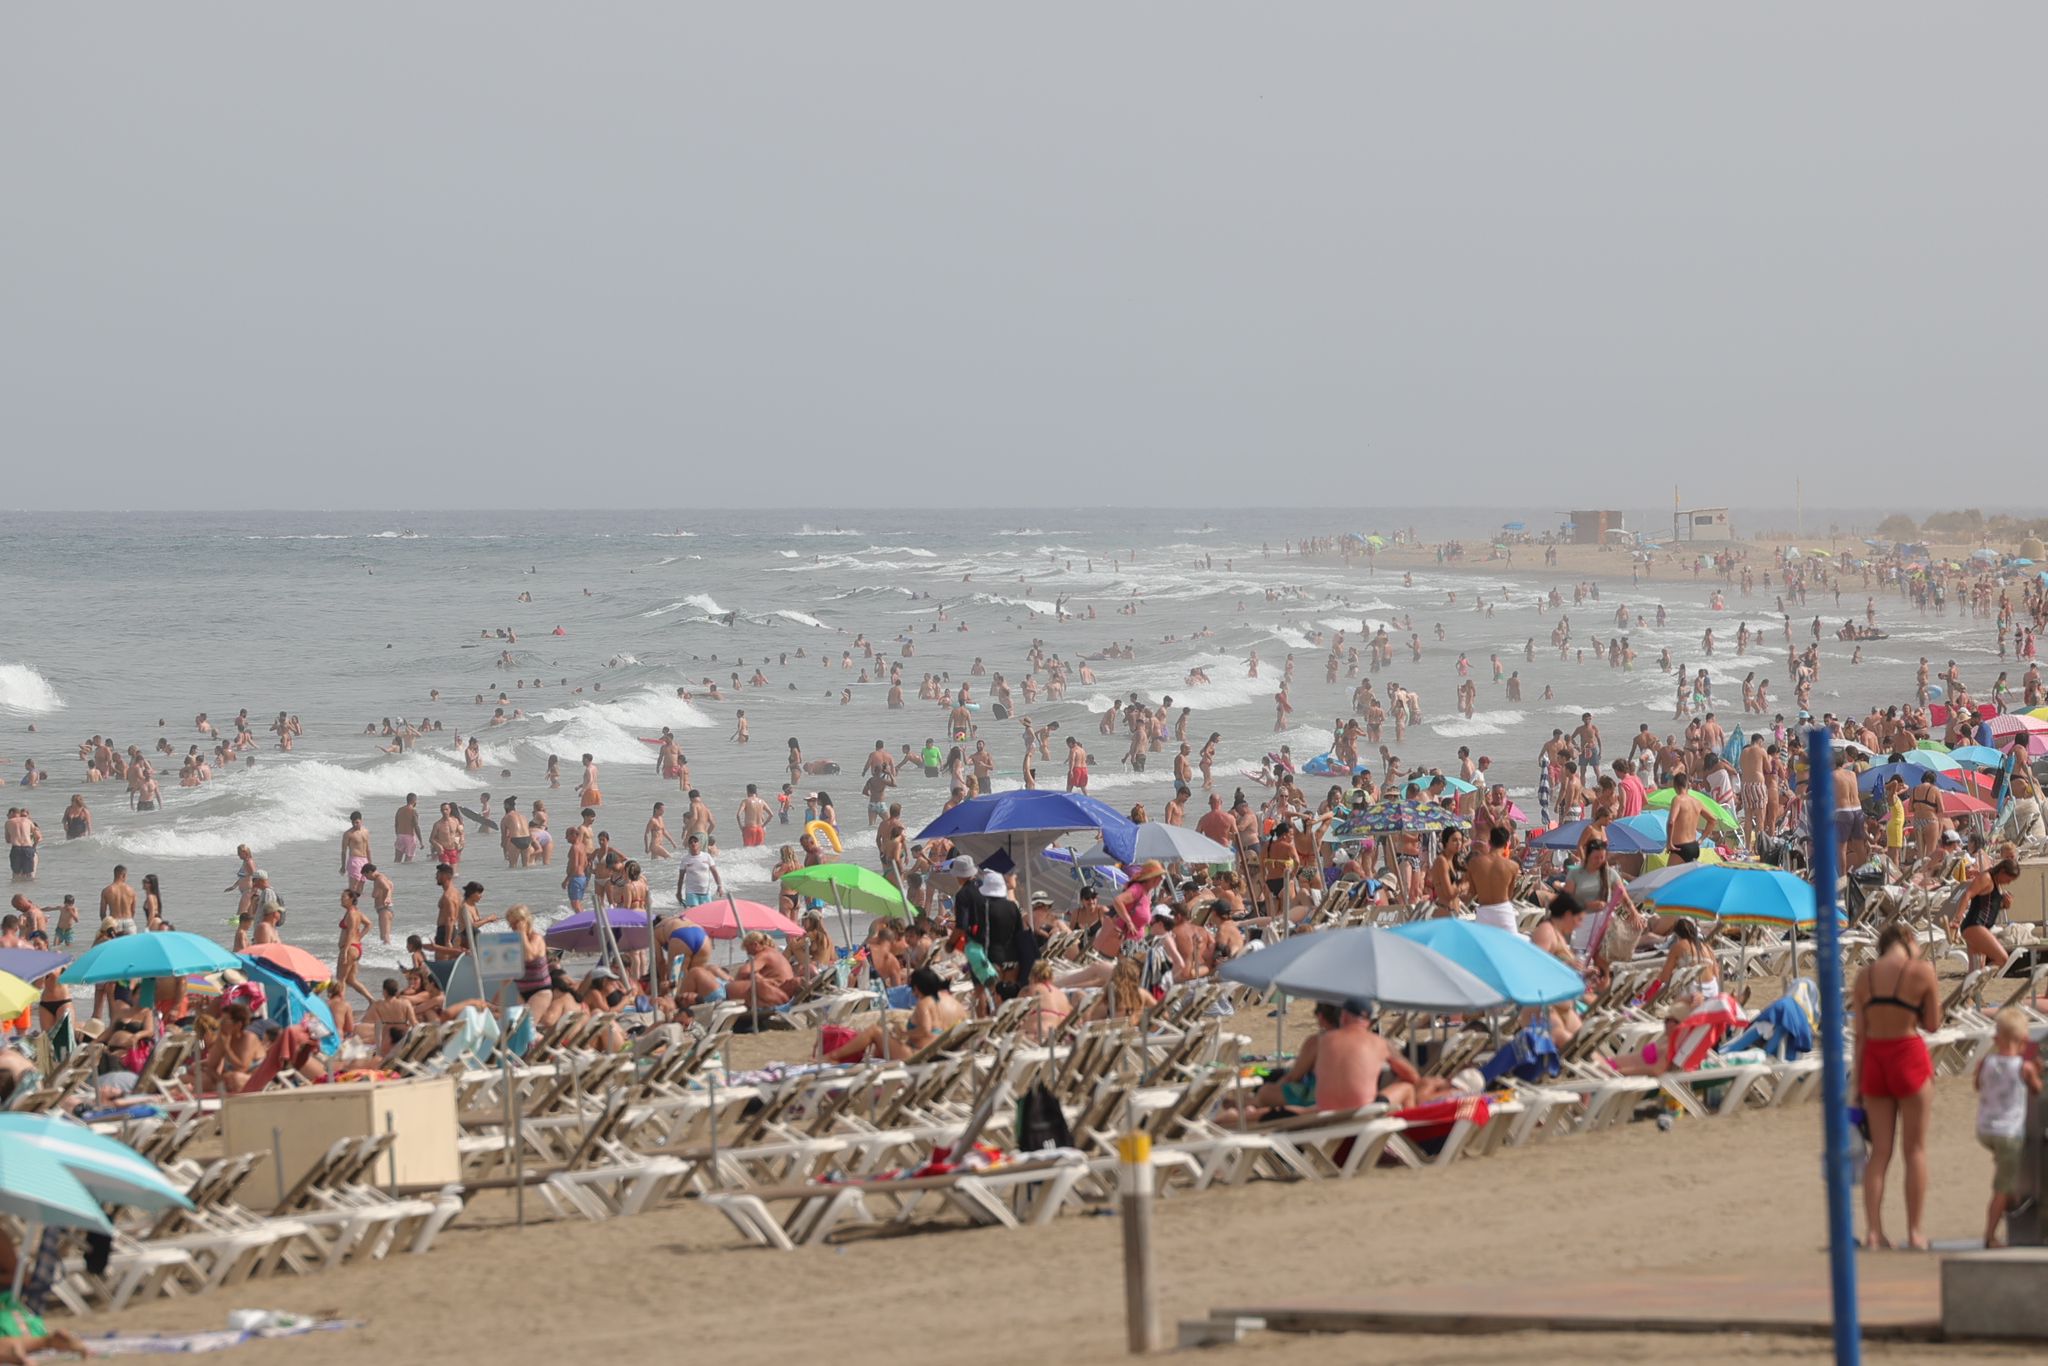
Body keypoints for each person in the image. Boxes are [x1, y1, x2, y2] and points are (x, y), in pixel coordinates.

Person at [1852, 920, 1941, 1250]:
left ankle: (1874, 1233)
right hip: (1907, 1054)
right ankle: (1915, 1232)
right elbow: (1932, 1024)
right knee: (1914, 1149)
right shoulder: (1922, 971)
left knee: (1880, 1153)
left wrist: (1855, 1088)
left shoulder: (1864, 977)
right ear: (1908, 939)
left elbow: (1859, 1037)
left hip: (1875, 1059)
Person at [1974, 1007, 2042, 1247]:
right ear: (2024, 1041)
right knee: (2003, 1186)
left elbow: (1977, 1085)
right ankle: (1990, 1235)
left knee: (2007, 1172)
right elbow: (2037, 1090)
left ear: (1995, 1039)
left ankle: (2014, 1201)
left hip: (1985, 1130)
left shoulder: (1986, 1063)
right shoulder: (2023, 1068)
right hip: (2008, 1133)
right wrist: (2036, 1073)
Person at [1950, 856, 2021, 977]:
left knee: (1977, 969)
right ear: (2002, 871)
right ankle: (1974, 981)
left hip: (1978, 928)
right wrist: (1956, 920)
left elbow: (1988, 906)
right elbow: (1967, 895)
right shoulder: (1986, 878)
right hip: (1975, 926)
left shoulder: (1997, 883)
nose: (2009, 883)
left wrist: (2004, 905)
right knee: (2002, 958)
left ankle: (1970, 993)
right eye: (2009, 879)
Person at [674, 833, 723, 907]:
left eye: (695, 841)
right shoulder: (685, 859)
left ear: (699, 844)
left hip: (705, 892)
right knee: (694, 914)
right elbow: (681, 878)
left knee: (706, 913)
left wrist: (719, 886)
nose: (693, 843)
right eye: (690, 842)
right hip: (691, 892)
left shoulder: (707, 856)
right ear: (688, 846)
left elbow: (715, 872)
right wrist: (678, 893)